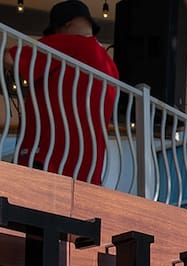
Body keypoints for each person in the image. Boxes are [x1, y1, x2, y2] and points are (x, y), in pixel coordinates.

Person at [15, 0, 119, 185]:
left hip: (50, 156)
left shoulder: (69, 43)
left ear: (67, 24)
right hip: (88, 168)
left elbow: (10, 58)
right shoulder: (110, 66)